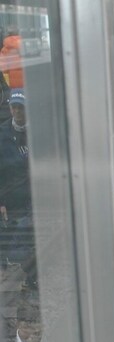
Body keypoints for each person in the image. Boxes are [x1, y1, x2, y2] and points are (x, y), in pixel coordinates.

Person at [0, 88, 37, 289]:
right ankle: (16, 278)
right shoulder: (3, 134)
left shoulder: (38, 132)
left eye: (20, 108)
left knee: (33, 238)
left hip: (35, 196)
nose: (16, 111)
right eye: (13, 107)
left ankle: (32, 279)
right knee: (15, 238)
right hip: (13, 198)